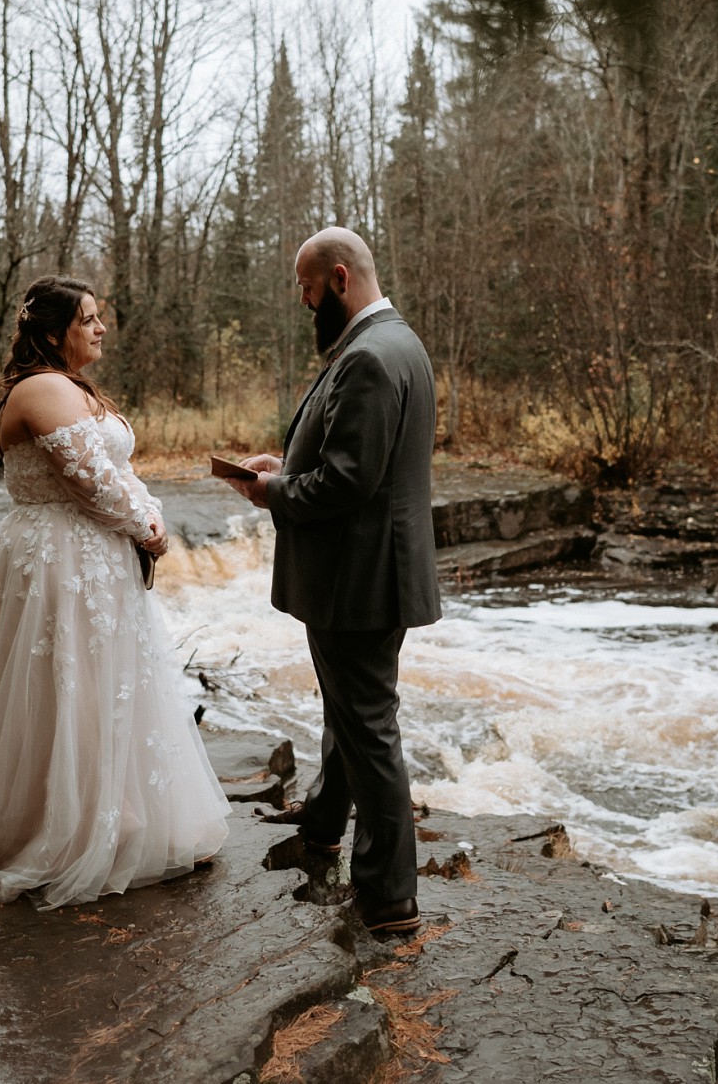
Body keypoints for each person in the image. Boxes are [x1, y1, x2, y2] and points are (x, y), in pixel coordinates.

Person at [0, 276, 229, 908]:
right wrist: (148, 531)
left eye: (99, 318)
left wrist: (154, 519)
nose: (100, 328)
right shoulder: (41, 389)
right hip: (56, 559)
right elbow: (91, 481)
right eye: (88, 318)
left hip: (93, 555)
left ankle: (119, 812)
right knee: (61, 683)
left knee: (104, 682)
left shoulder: (74, 389)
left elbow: (120, 473)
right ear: (54, 329)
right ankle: (50, 825)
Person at [221, 227, 440, 935]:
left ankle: (389, 897)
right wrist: (283, 460)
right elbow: (354, 450)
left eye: (308, 291)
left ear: (340, 278)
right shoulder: (392, 341)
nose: (305, 303)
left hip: (360, 578)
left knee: (368, 727)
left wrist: (272, 492)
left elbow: (349, 481)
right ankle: (322, 822)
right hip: (374, 571)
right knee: (347, 713)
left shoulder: (372, 355)